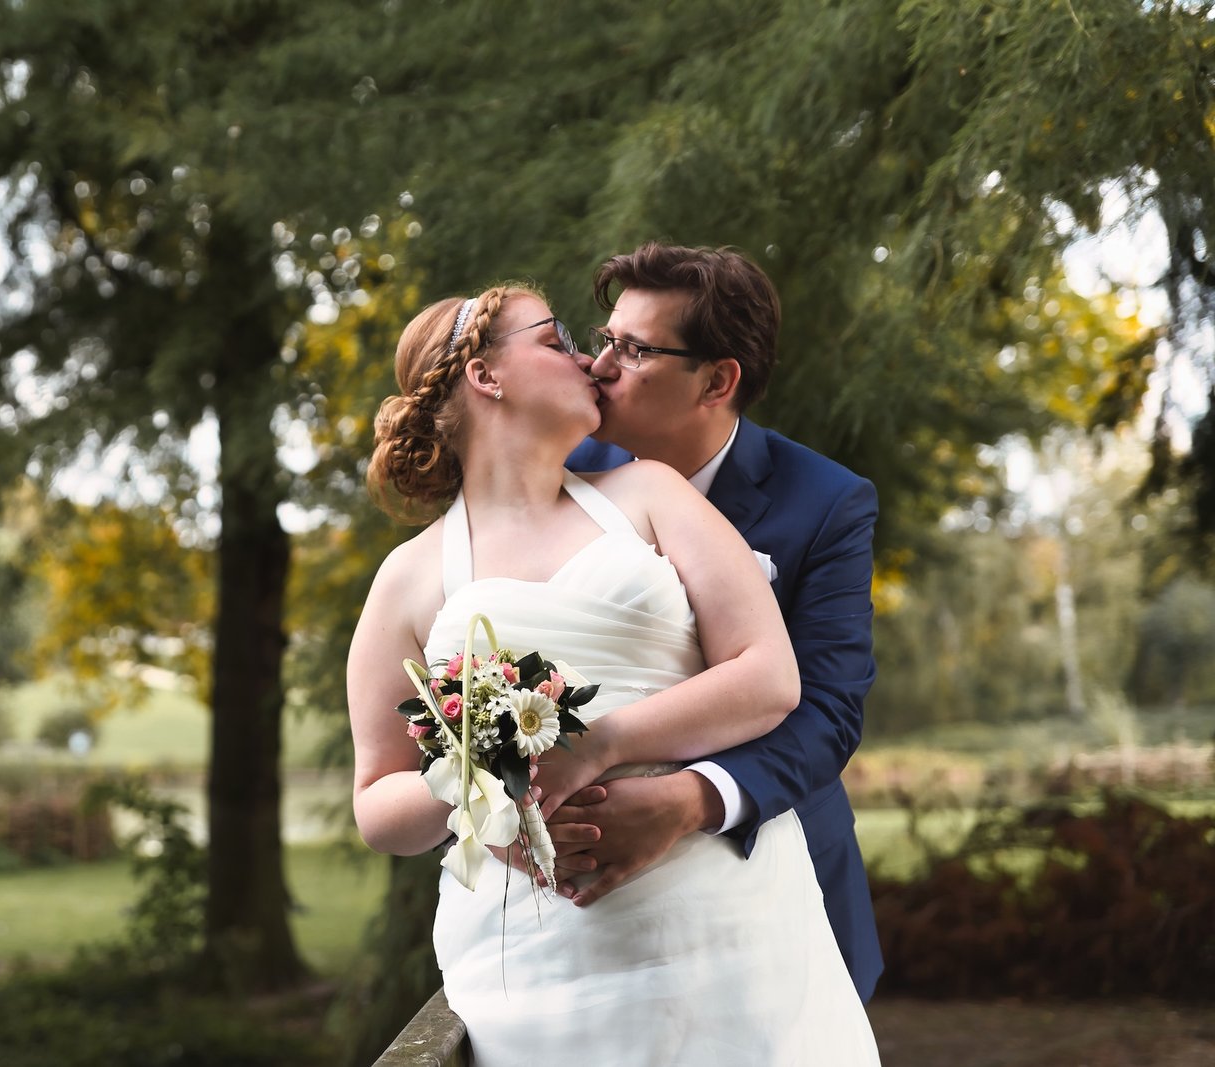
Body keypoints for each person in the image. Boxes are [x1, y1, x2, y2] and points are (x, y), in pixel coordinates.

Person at [348, 284, 879, 1064]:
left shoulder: (651, 494)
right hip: (543, 961)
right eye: (556, 335)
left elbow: (773, 679)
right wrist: (473, 777)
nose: (590, 359)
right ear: (486, 377)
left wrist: (594, 744)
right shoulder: (408, 576)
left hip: (724, 919)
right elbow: (376, 800)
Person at [559, 242, 885, 1003]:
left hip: (778, 869)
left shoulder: (826, 503)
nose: (600, 366)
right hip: (592, 901)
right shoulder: (560, 470)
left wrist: (691, 799)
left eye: (635, 349)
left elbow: (828, 710)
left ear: (718, 379)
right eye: (604, 338)